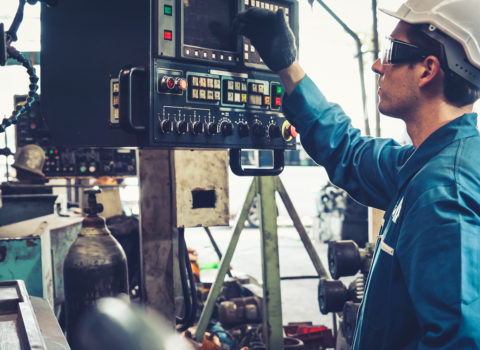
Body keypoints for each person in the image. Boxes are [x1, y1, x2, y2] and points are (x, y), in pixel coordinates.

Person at [236, 0, 480, 349]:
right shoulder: (427, 165)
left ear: (427, 69)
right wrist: (288, 68)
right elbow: (348, 150)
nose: (378, 65)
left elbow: (460, 342)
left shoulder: (442, 191)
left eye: (392, 51)